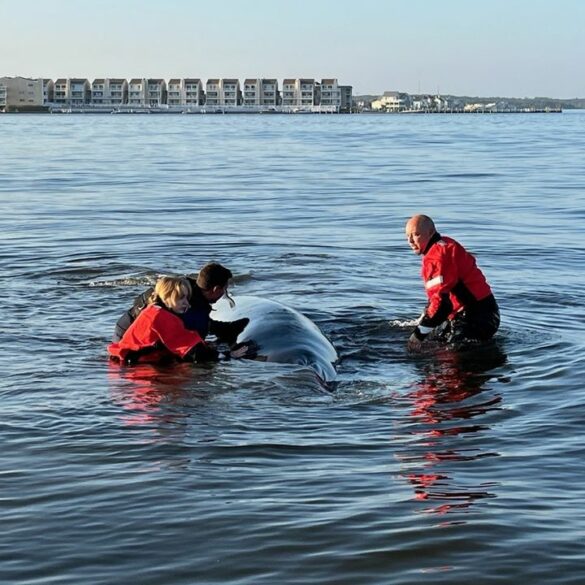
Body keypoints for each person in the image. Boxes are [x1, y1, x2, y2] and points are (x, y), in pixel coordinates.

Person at [405, 214, 500, 351]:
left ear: (431, 232)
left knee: (446, 356)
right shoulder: (444, 245)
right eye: (407, 236)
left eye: (416, 235)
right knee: (436, 341)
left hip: (477, 317)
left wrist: (417, 335)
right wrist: (425, 319)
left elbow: (443, 305)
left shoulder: (436, 258)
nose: (410, 241)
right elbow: (439, 298)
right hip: (482, 312)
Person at [108, 276, 250, 364]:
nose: (187, 304)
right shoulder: (162, 317)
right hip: (134, 366)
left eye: (187, 298)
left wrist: (205, 346)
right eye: (181, 298)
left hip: (127, 361)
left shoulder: (155, 310)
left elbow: (179, 341)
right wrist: (228, 356)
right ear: (168, 297)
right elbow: (193, 353)